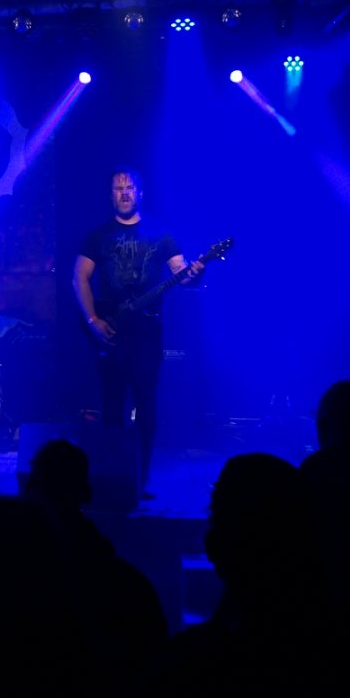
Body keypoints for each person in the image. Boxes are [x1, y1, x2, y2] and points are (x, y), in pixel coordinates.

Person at [72, 167, 203, 498]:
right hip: (110, 331)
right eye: (118, 188)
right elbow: (79, 277)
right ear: (110, 195)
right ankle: (112, 477)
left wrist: (196, 273)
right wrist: (93, 320)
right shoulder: (98, 235)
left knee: (146, 403)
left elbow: (181, 274)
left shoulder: (161, 232)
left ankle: (139, 479)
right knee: (111, 406)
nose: (124, 193)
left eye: (129, 187)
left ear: (140, 192)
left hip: (146, 333)